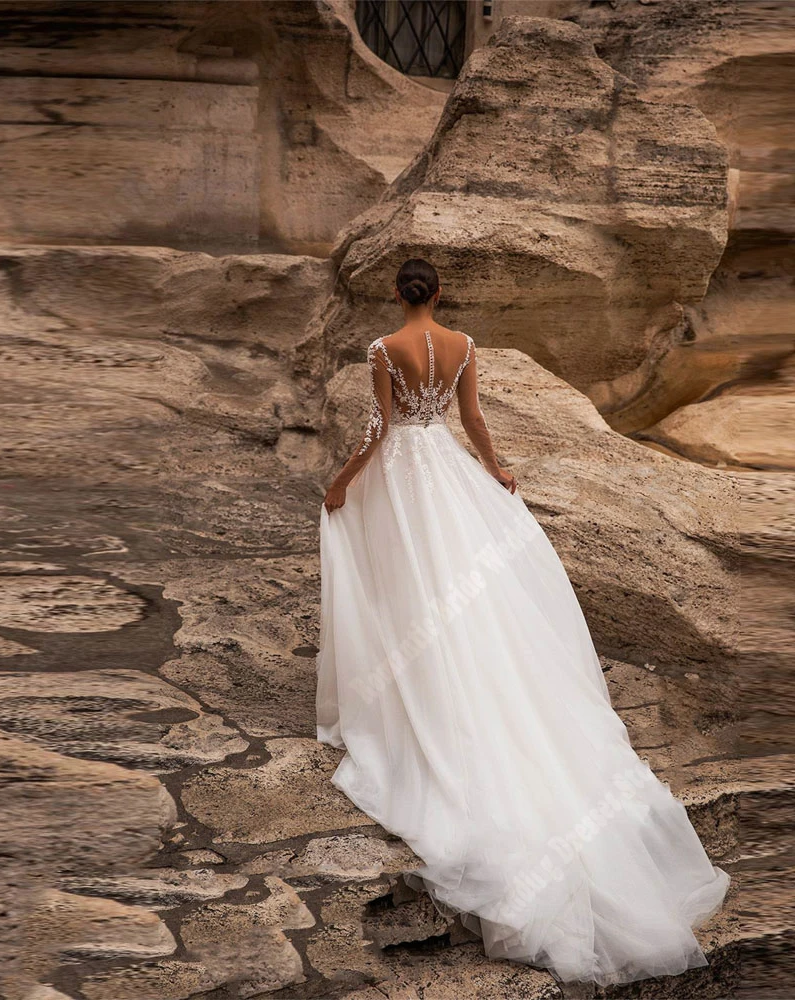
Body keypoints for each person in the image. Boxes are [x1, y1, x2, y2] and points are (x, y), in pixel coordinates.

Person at [317, 258, 729, 987]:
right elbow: (471, 419)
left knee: (410, 580)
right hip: (446, 467)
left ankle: (419, 683)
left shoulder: (383, 351)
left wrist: (343, 482)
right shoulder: (463, 345)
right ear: (438, 294)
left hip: (404, 478)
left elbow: (381, 430)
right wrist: (497, 469)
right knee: (465, 589)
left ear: (396, 293)